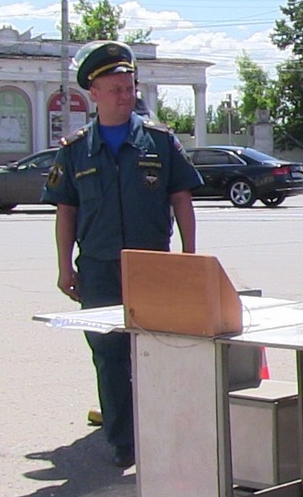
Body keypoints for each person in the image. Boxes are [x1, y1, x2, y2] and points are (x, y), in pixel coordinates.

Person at [42, 40, 201, 468]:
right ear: (93, 94)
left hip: (153, 267)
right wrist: (64, 268)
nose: (125, 95)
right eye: (115, 89)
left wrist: (188, 256)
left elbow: (181, 199)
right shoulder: (75, 149)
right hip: (98, 269)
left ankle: (161, 430)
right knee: (109, 356)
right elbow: (66, 211)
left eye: (129, 87)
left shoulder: (159, 142)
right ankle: (123, 440)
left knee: (157, 353)